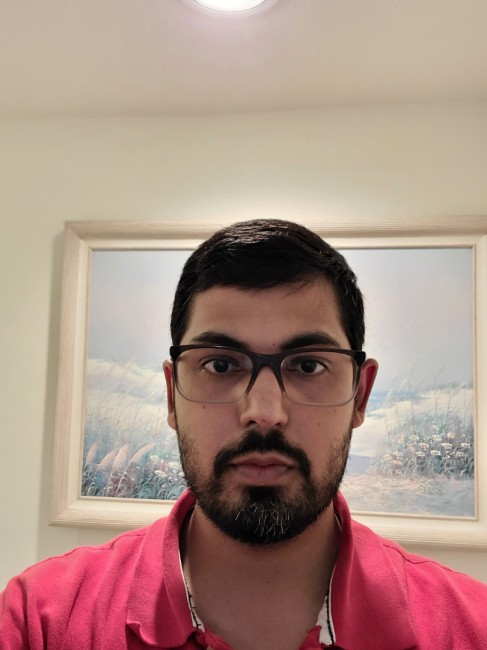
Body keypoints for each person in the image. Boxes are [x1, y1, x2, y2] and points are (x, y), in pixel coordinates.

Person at [1, 219, 486, 650]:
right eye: (220, 364)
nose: (264, 413)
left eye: (308, 366)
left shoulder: (473, 628)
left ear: (360, 396)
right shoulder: (38, 622)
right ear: (172, 395)